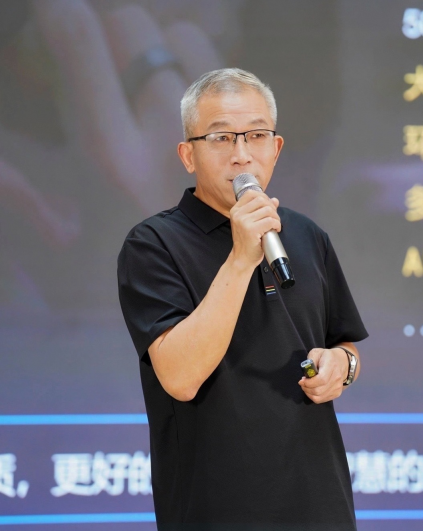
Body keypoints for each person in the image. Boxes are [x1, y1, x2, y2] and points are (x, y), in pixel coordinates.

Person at [117, 68, 368, 530]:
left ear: (276, 148)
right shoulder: (153, 244)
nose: (241, 154)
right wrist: (239, 258)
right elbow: (180, 379)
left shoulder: (306, 235)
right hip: (216, 509)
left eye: (256, 135)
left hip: (320, 504)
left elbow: (345, 345)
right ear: (187, 155)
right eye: (220, 138)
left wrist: (341, 367)